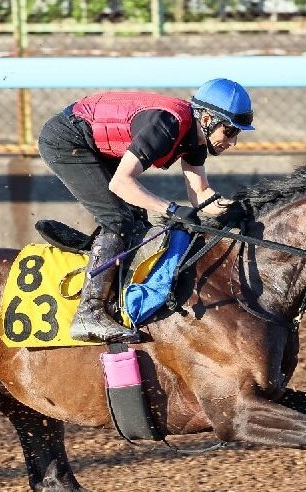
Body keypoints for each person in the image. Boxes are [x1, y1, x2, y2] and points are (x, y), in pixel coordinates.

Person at [37, 78, 255, 343]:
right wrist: (171, 209)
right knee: (119, 221)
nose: (232, 142)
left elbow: (200, 194)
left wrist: (239, 209)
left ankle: (106, 275)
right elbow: (121, 183)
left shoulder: (196, 138)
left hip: (90, 141)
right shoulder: (167, 125)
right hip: (67, 138)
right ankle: (89, 312)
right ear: (208, 118)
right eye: (230, 131)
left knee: (135, 221)